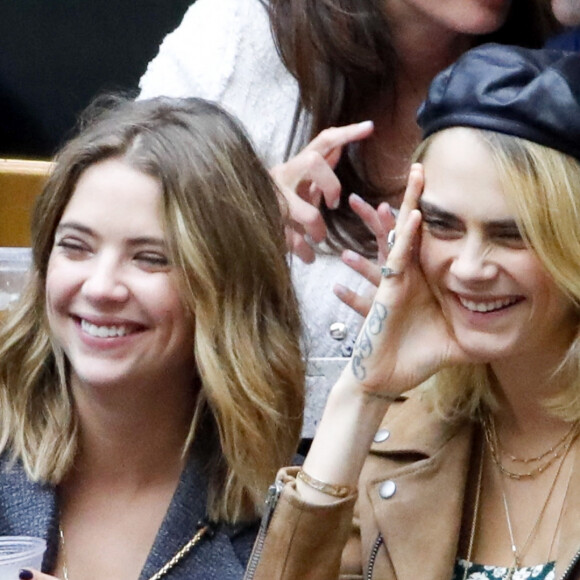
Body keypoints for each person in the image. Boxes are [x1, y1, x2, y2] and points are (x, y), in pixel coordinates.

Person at [138, 0, 559, 440]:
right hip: (214, 457)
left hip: (448, 473)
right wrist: (236, 212)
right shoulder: (241, 32)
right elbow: (103, 225)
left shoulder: (555, 68)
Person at [242, 44, 580, 580]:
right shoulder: (400, 437)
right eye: (443, 226)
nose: (468, 267)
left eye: (511, 234)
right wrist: (362, 394)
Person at [0, 96, 305, 580]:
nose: (100, 288)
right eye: (75, 247)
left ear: (226, 286)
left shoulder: (288, 518)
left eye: (150, 258)